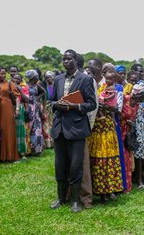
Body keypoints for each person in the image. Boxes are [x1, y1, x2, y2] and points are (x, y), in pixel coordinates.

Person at [50, 49, 96, 213]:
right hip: (59, 128)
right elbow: (51, 100)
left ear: (76, 60)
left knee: (76, 166)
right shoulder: (58, 79)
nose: (65, 61)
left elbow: (92, 104)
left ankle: (76, 201)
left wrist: (74, 106)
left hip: (76, 128)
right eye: (64, 59)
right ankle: (61, 198)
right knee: (60, 165)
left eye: (69, 59)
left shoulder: (85, 79)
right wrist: (57, 104)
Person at [89, 68, 124, 202]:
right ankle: (101, 191)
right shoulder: (100, 87)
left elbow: (116, 108)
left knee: (110, 158)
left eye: (111, 78)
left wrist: (102, 106)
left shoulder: (115, 90)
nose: (108, 80)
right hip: (98, 128)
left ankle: (111, 190)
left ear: (115, 79)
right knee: (98, 158)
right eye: (106, 77)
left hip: (108, 127)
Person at [0, 66, 20, 162]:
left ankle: (10, 156)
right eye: (1, 73)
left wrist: (17, 109)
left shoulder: (10, 83)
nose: (3, 75)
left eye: (5, 73)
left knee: (8, 130)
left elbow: (17, 97)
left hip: (7, 108)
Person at [25, 69, 45, 155]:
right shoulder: (25, 84)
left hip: (35, 108)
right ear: (33, 77)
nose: (38, 78)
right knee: (28, 127)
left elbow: (44, 92)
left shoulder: (36, 85)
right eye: (37, 76)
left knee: (36, 128)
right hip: (28, 107)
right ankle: (28, 149)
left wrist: (37, 97)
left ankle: (36, 149)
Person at [13, 73, 29, 158]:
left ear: (21, 80)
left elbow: (27, 99)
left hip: (20, 110)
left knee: (20, 131)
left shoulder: (23, 88)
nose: (16, 80)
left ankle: (21, 152)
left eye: (18, 79)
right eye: (14, 78)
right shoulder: (10, 86)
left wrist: (20, 90)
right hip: (10, 109)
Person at [42, 71, 55, 149]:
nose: (49, 79)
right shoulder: (44, 86)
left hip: (54, 107)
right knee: (46, 124)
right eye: (47, 78)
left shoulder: (56, 85)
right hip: (46, 107)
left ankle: (54, 142)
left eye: (50, 77)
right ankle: (48, 143)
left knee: (53, 124)